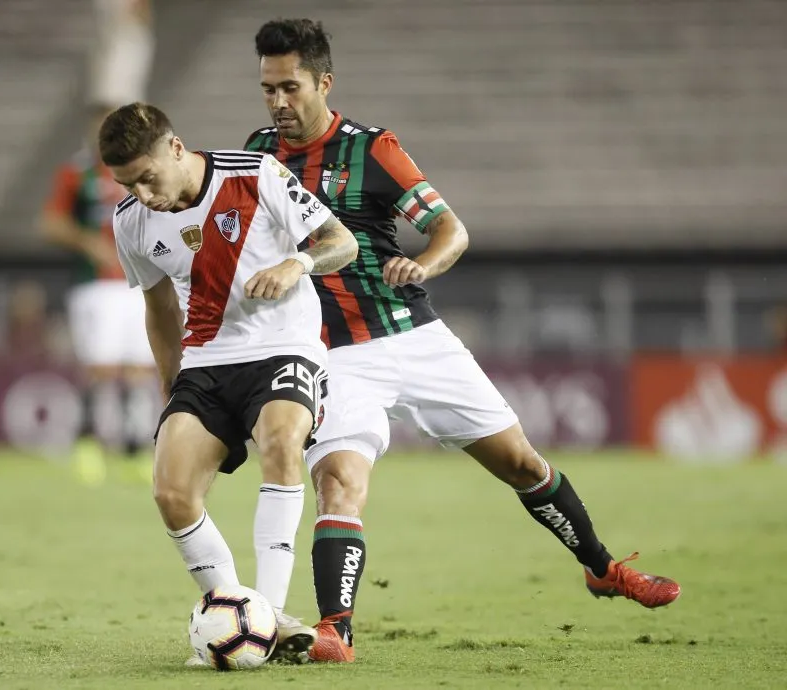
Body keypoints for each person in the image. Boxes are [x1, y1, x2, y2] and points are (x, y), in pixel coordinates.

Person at [243, 19, 681, 663]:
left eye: (290, 88)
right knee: (338, 482)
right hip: (331, 353)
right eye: (268, 89)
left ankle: (602, 568)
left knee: (522, 464)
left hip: (412, 335)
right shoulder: (256, 155)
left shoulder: (372, 149)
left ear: (324, 82)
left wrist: (423, 264)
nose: (278, 102)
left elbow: (451, 230)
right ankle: (336, 629)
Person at [99, 102, 359, 663]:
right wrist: (171, 387)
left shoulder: (256, 173)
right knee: (171, 493)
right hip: (206, 362)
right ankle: (248, 614)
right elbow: (159, 310)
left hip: (284, 346)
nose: (142, 194)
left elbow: (342, 242)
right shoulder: (130, 220)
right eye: (127, 184)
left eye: (147, 178)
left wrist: (296, 265)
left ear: (176, 149)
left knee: (282, 442)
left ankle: (270, 613)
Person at [41, 104, 158, 469]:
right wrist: (87, 241)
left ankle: (135, 448)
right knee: (101, 367)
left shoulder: (144, 172)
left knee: (140, 368)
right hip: (96, 285)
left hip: (140, 283)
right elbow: (51, 224)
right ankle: (88, 442)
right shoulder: (77, 174)